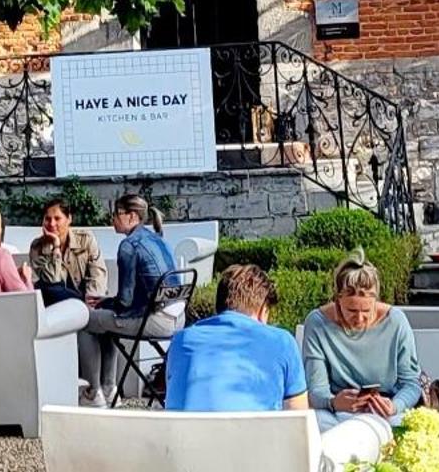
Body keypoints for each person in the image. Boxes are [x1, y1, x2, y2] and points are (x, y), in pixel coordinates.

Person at [299, 252, 421, 467]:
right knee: (312, 425)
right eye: (351, 310)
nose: (360, 318)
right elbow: (315, 390)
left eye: (367, 310)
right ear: (337, 301)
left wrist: (394, 405)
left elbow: (411, 384)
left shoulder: (396, 322)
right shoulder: (317, 323)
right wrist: (334, 402)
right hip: (335, 413)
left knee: (409, 431)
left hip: (386, 414)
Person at [75, 193, 183, 406]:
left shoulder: (129, 246)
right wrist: (106, 303)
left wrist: (103, 302)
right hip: (177, 317)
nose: (112, 218)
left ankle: (93, 392)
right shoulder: (157, 238)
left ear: (132, 216)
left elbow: (125, 302)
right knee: (105, 321)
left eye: (116, 214)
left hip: (153, 319)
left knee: (87, 322)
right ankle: (110, 389)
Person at [164, 263, 308, 412]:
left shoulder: (181, 341)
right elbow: (297, 416)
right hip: (256, 434)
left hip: (186, 434)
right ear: (262, 310)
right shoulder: (282, 342)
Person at [28, 200, 105, 307]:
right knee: (48, 287)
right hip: (56, 304)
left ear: (69, 219)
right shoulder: (37, 247)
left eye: (57, 218)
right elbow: (53, 282)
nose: (52, 224)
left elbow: (98, 275)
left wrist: (90, 303)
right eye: (47, 219)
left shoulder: (85, 239)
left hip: (85, 304)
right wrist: (55, 246)